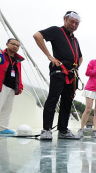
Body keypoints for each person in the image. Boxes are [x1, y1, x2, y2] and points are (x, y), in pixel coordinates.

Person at [34, 11, 83, 140]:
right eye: (71, 21)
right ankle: (46, 129)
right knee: (53, 98)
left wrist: (77, 66)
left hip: (71, 73)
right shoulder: (57, 31)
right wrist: (50, 56)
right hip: (59, 70)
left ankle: (63, 130)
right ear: (64, 19)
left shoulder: (75, 39)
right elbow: (37, 35)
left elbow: (80, 56)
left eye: (76, 23)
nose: (73, 25)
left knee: (67, 101)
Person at [0, 38, 24, 135]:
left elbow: (19, 74)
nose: (15, 46)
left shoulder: (18, 60)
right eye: (13, 44)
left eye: (17, 45)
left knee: (7, 109)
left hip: (12, 86)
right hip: (1, 84)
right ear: (7, 44)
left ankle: (2, 128)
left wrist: (20, 86)